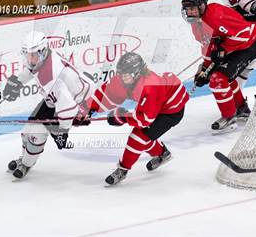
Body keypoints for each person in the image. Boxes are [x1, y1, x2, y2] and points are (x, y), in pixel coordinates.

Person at [76, 52, 188, 185]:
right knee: (145, 137)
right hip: (155, 105)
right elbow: (108, 93)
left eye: (125, 75)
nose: (121, 78)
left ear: (136, 73)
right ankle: (163, 154)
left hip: (171, 111)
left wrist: (122, 117)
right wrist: (87, 109)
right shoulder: (125, 79)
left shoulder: (150, 87)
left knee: (139, 137)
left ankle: (122, 170)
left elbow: (144, 119)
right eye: (120, 74)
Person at [3, 30, 94, 179]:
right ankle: (24, 158)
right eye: (28, 55)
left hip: (80, 103)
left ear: (43, 51)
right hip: (60, 99)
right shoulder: (42, 59)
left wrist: (63, 131)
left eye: (33, 55)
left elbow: (68, 108)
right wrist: (18, 82)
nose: (30, 59)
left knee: (37, 132)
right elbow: (31, 69)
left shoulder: (53, 78)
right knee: (28, 129)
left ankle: (26, 163)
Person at [181, 0, 256, 131]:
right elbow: (208, 47)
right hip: (231, 47)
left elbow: (243, 35)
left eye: (192, 8)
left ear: (201, 6)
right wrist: (204, 70)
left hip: (248, 44)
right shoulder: (196, 24)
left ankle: (229, 116)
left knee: (218, 79)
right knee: (216, 75)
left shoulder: (215, 16)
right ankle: (242, 108)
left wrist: (223, 48)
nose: (190, 12)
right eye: (187, 9)